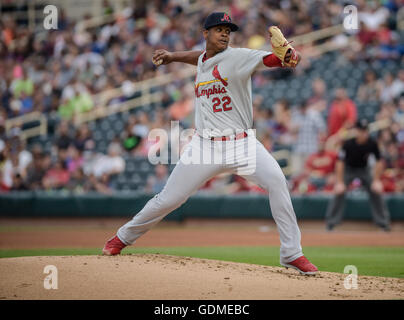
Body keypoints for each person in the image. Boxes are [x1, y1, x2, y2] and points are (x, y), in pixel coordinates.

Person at [103, 12, 318, 275]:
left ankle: (292, 253)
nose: (226, 33)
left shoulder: (238, 56)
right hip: (204, 146)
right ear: (206, 34)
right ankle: (122, 238)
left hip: (242, 145)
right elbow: (200, 57)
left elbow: (275, 60)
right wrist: (172, 56)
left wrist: (287, 56)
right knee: (170, 199)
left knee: (277, 182)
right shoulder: (204, 60)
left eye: (228, 30)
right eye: (219, 29)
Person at [325, 119, 391, 232]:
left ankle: (383, 223)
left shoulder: (372, 143)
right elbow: (340, 163)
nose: (363, 133)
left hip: (364, 170)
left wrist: (376, 180)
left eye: (365, 131)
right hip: (349, 170)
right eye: (361, 130)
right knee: (339, 192)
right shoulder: (348, 143)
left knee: (376, 191)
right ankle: (331, 223)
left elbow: (379, 162)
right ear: (356, 131)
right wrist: (340, 182)